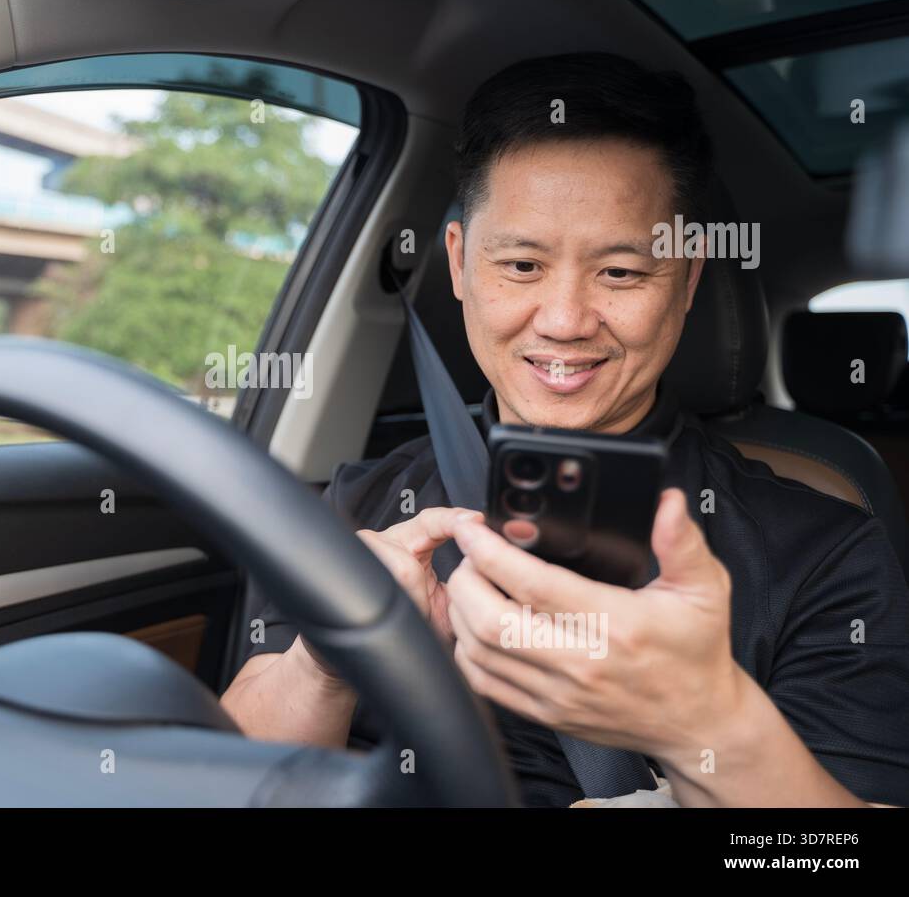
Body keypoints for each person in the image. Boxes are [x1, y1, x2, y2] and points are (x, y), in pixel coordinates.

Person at [219, 52, 909, 807]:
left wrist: (703, 722)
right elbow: (234, 785)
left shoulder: (821, 548)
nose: (564, 322)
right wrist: (326, 661)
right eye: (520, 265)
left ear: (686, 279)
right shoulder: (361, 504)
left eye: (620, 273)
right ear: (458, 265)